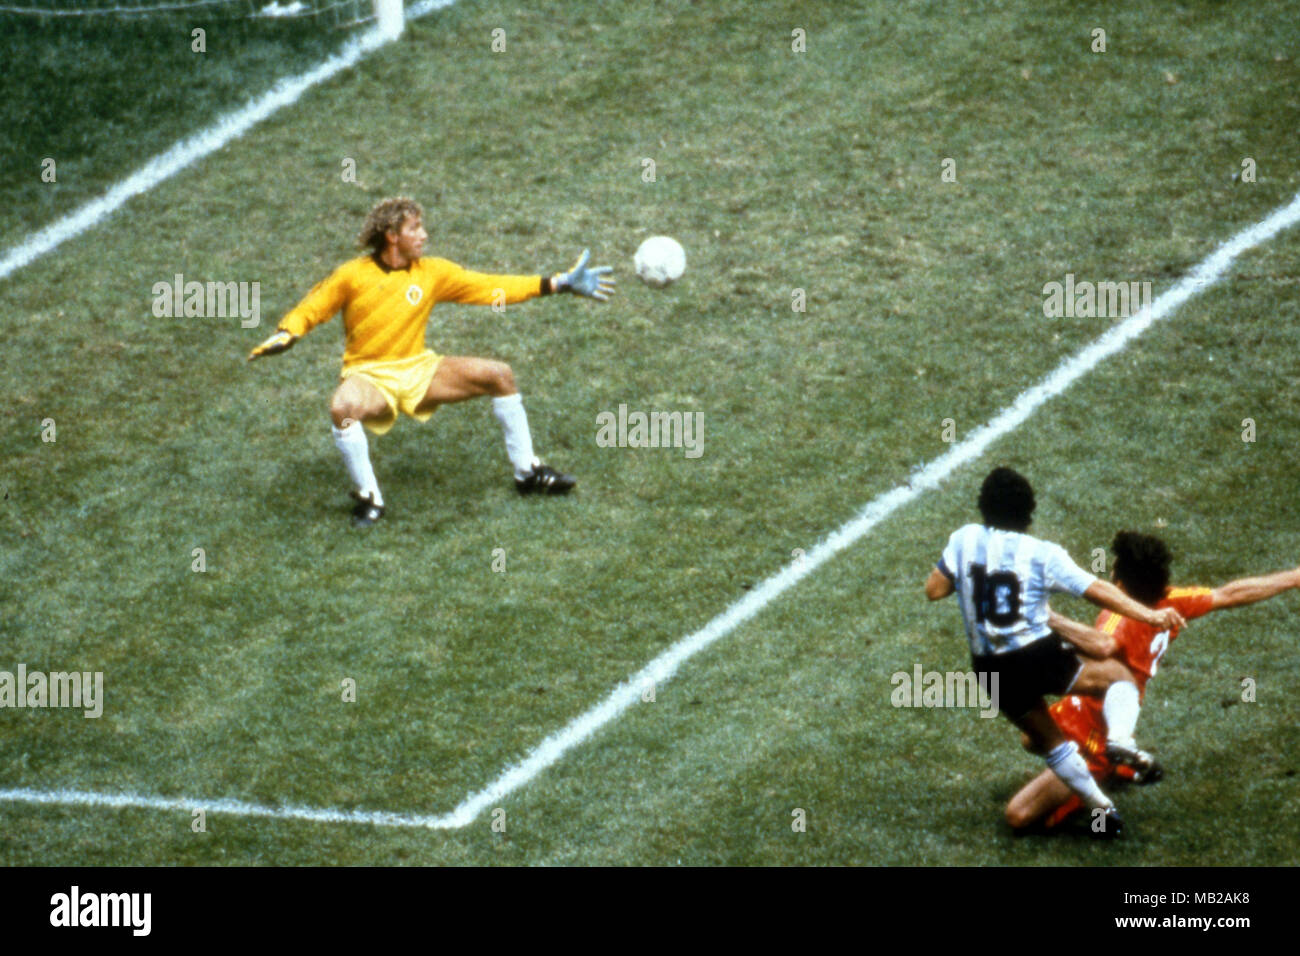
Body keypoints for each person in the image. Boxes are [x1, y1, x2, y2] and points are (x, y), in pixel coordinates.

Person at [248, 196, 614, 526]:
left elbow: (490, 287)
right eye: (415, 228)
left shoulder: (432, 273)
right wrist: (288, 332)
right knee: (342, 407)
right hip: (371, 375)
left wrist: (557, 283)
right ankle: (369, 498)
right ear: (392, 235)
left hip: (419, 369)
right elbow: (315, 305)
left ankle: (528, 473)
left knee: (499, 375)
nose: (423, 235)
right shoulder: (353, 275)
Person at [925, 467, 1185, 837]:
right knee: (1117, 679)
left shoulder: (964, 539)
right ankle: (1120, 742)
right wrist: (1149, 614)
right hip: (1036, 654)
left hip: (990, 668)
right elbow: (1095, 589)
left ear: (983, 506)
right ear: (1028, 513)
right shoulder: (1041, 553)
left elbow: (934, 590)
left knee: (1050, 744)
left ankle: (1102, 809)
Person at [1004, 530, 1300, 832]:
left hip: (1092, 732)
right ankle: (1117, 763)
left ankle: (1097, 781)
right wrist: (1294, 577)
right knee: (1030, 738)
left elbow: (1091, 651)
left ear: (1119, 583)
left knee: (1018, 815)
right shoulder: (1171, 603)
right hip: (1083, 710)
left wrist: (1047, 617)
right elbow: (1230, 594)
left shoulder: (1115, 623)